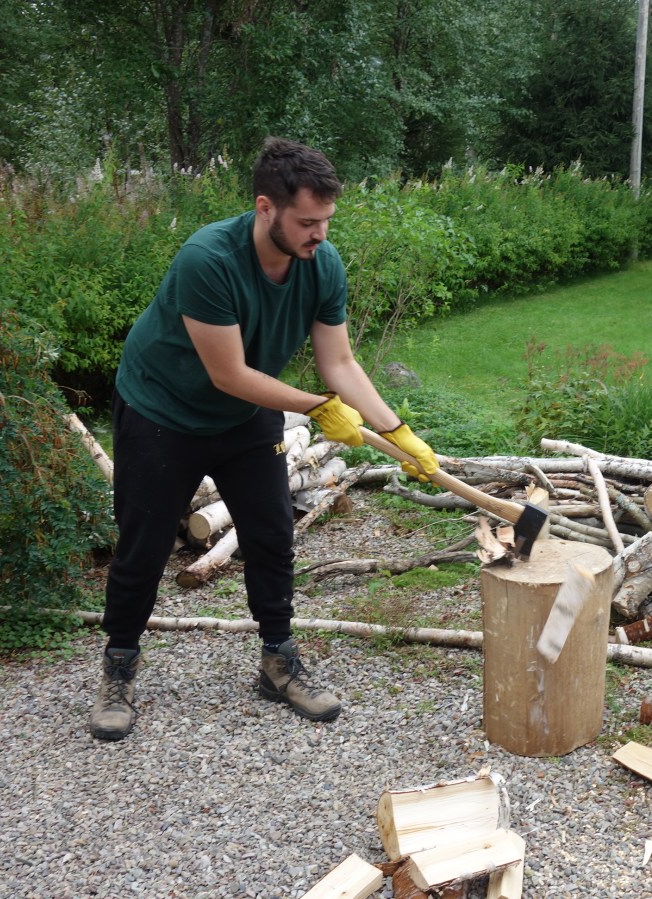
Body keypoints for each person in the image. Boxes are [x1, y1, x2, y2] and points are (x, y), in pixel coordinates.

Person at [89, 138, 438, 741]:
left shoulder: (321, 264)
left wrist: (396, 430)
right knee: (144, 545)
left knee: (272, 535)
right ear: (265, 208)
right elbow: (228, 373)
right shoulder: (208, 259)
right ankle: (118, 667)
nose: (319, 235)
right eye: (307, 222)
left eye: (326, 221)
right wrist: (317, 407)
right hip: (162, 410)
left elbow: (339, 362)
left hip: (246, 414)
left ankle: (278, 663)